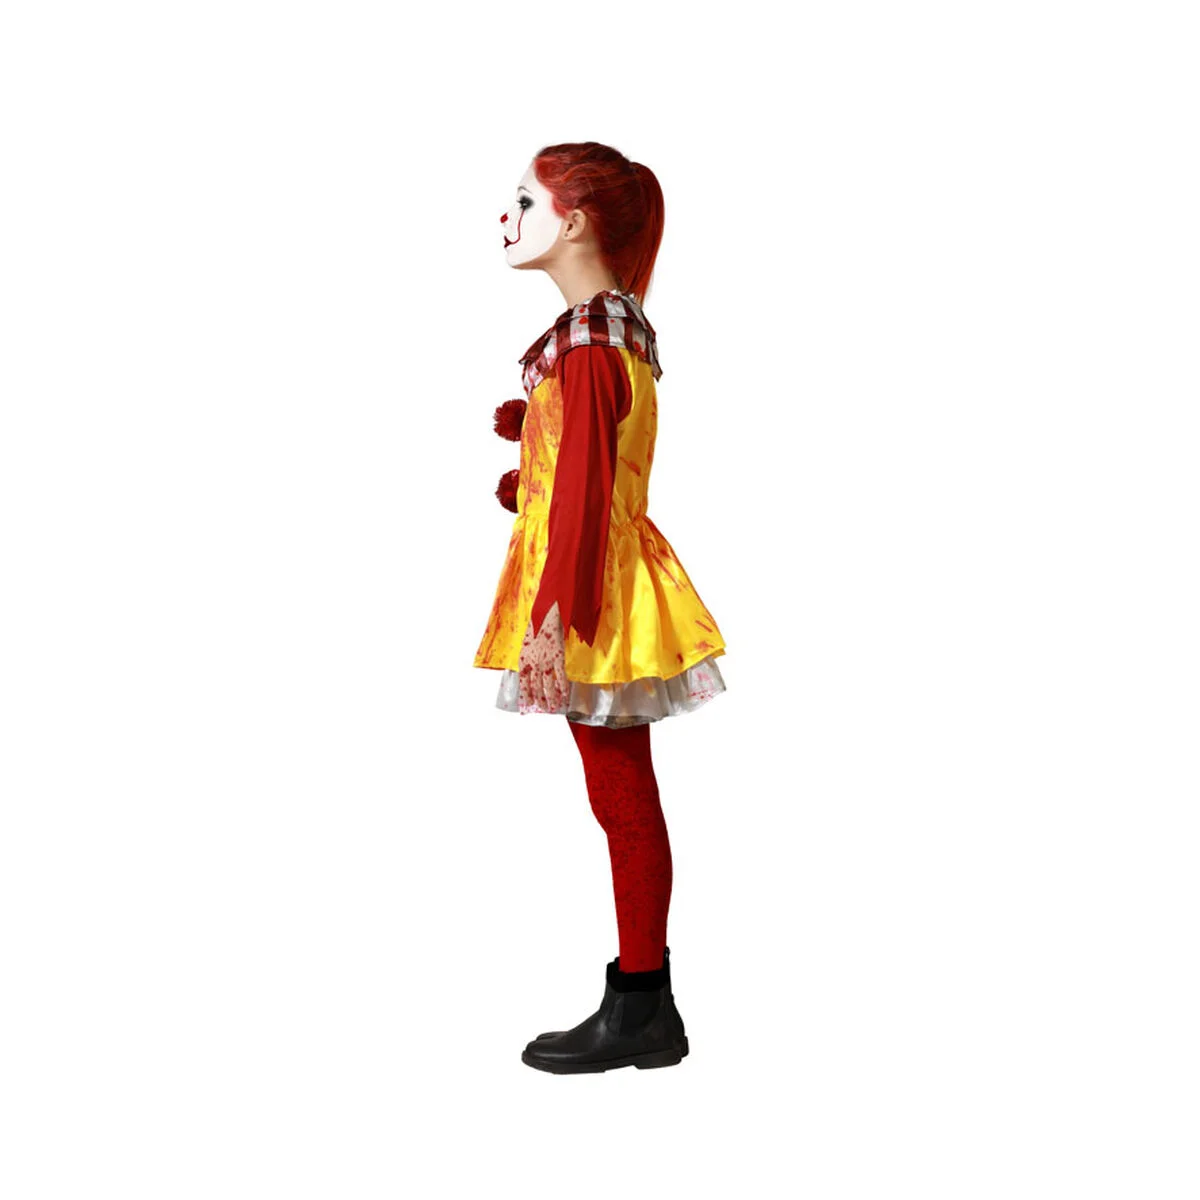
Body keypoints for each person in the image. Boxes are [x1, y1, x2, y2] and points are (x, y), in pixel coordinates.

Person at [473, 142, 728, 1073]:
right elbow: (584, 469)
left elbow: (582, 498)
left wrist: (555, 624)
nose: (507, 218)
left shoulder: (587, 345)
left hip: (590, 598)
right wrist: (531, 449)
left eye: (525, 201)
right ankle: (643, 1001)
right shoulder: (611, 334)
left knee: (622, 801)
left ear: (574, 222)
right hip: (605, 581)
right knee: (621, 799)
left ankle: (643, 1007)